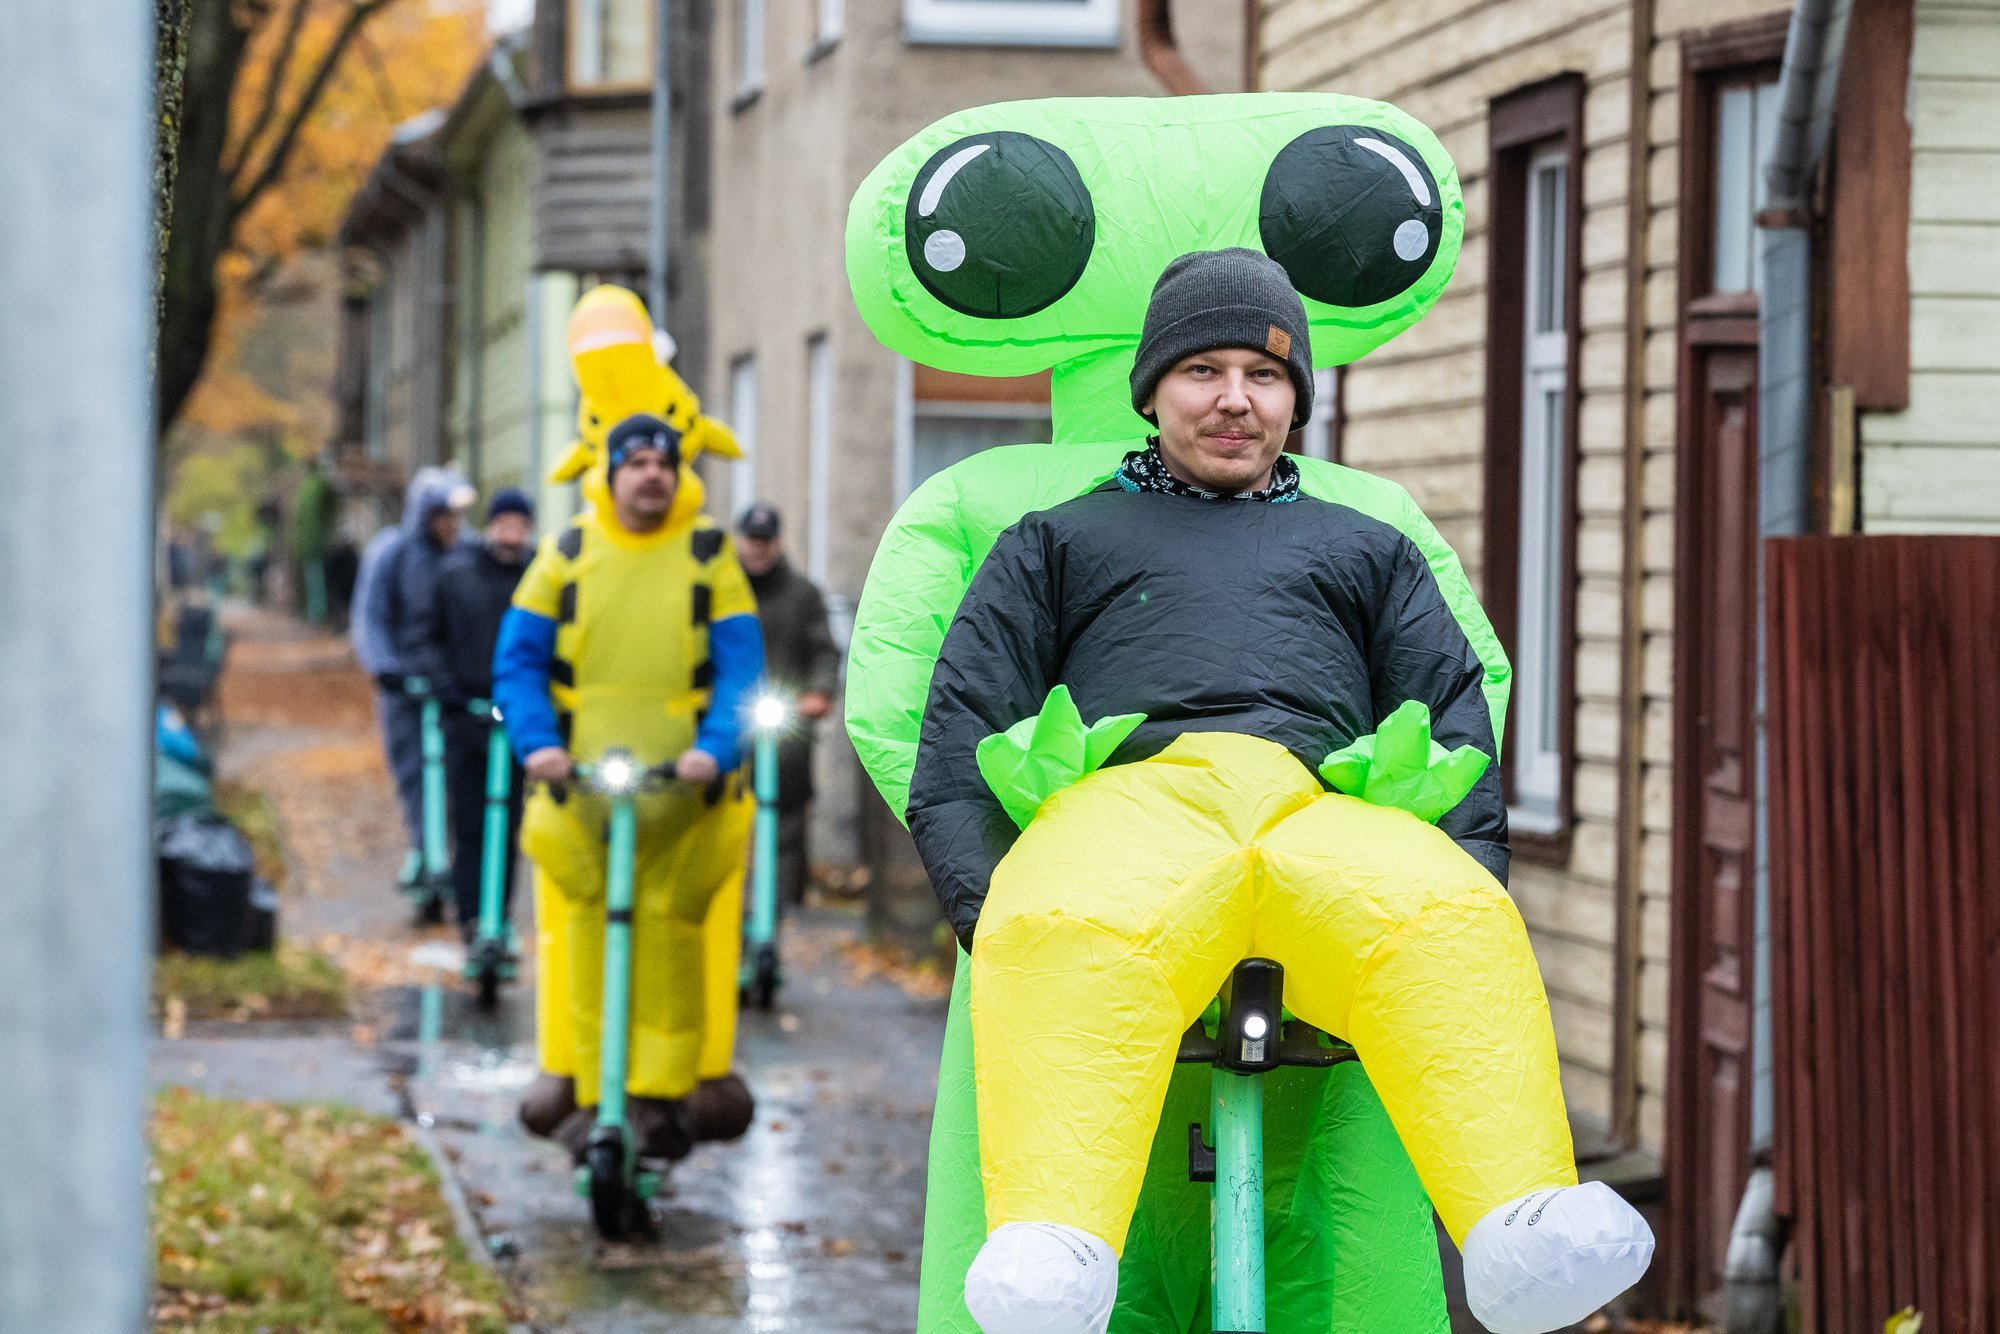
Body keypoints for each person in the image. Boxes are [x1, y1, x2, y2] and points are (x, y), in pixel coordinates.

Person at [906, 251, 1651, 1334]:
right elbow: (960, 733)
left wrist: (1460, 873)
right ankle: (1052, 1247)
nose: (1232, 399)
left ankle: (1516, 1220)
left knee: (1445, 918)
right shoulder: (1058, 542)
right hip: (1130, 819)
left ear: (1296, 395)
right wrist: (994, 922)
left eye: (1262, 374)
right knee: (1059, 917)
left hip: (1321, 816)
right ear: (1151, 389)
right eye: (1199, 370)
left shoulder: (1366, 548)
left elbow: (1453, 728)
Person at [493, 413, 764, 1162]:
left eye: (664, 463)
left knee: (670, 939)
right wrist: (538, 743)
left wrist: (714, 749)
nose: (652, 474)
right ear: (609, 473)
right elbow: (517, 662)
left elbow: (743, 668)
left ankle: (664, 1098)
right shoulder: (565, 554)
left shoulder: (712, 557)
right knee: (584, 937)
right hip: (580, 798)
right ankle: (586, 1090)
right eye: (637, 461)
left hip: (686, 803)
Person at [411, 488, 536, 940]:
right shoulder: (457, 575)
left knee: (507, 820)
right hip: (466, 713)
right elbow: (426, 635)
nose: (512, 534)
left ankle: (497, 913)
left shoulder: (536, 579)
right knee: (470, 820)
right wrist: (447, 691)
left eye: (520, 525)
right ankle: (470, 915)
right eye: (504, 523)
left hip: (514, 715)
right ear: (490, 527)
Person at [350, 466, 476, 894]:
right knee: (413, 772)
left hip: (453, 687)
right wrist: (384, 669)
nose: (451, 525)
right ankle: (424, 850)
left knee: (461, 776)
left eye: (455, 517)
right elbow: (370, 617)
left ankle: (457, 858)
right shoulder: (392, 553)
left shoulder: (467, 553)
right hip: (404, 688)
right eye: (443, 515)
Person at [734, 502, 841, 907]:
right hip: (733, 722)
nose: (758, 549)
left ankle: (777, 911)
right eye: (752, 540)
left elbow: (824, 650)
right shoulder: (727, 591)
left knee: (787, 817)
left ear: (778, 543)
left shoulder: (802, 593)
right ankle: (736, 910)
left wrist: (819, 693)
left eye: (766, 540)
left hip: (787, 723)